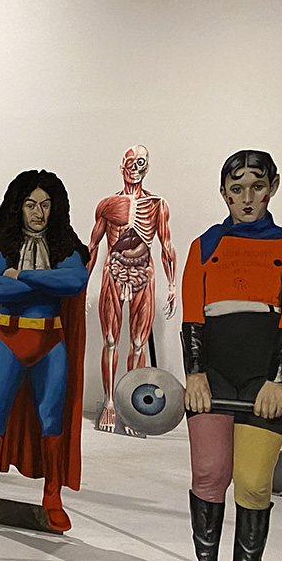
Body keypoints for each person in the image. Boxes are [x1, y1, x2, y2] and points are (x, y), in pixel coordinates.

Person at [179, 150, 282, 561]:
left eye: (257, 186)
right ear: (224, 193)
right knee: (208, 475)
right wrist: (195, 373)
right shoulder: (203, 245)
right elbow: (192, 315)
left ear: (273, 187)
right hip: (212, 375)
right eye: (237, 189)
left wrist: (280, 380)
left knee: (253, 483)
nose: (247, 197)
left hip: (264, 378)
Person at [0, 170, 90, 532]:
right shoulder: (1, 245)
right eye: (31, 204)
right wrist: (48, 284)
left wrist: (24, 276)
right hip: (7, 340)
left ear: (56, 207)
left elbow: (75, 281)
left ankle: (52, 497)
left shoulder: (66, 247)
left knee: (52, 421)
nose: (38, 212)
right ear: (19, 206)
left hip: (51, 344)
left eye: (45, 204)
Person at [87, 145, 178, 434]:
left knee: (138, 343)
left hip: (143, 274)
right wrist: (83, 284)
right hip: (113, 273)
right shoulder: (107, 205)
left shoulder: (157, 205)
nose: (135, 168)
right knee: (110, 340)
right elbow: (93, 246)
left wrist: (172, 284)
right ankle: (109, 402)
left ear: (147, 167)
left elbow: (166, 245)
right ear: (121, 166)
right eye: (130, 162)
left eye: (141, 162)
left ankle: (131, 406)